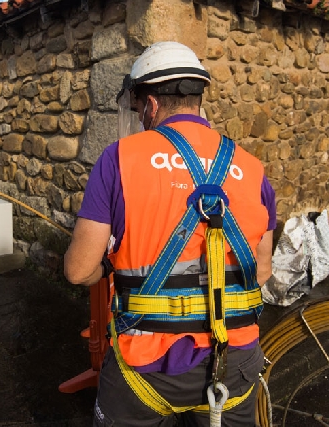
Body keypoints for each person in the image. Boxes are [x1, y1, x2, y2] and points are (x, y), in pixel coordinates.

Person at [64, 42, 276, 426]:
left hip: (147, 367)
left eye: (138, 110)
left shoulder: (119, 159)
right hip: (235, 360)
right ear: (197, 97)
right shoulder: (253, 168)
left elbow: (79, 271)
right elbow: (261, 272)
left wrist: (111, 266)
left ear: (150, 104)